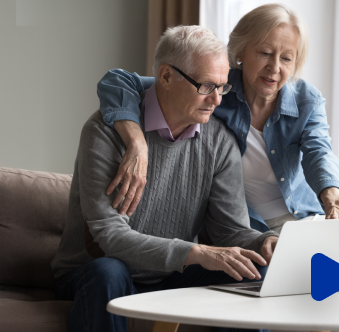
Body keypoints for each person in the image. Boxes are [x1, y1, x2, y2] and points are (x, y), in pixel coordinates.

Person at [95, 4, 339, 332]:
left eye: (287, 58)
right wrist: (136, 139)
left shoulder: (305, 100)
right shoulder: (216, 91)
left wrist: (333, 199)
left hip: (308, 215)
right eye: (265, 53)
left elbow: (319, 151)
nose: (275, 68)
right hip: (255, 225)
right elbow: (118, 81)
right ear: (241, 52)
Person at [52, 25, 278, 332]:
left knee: (254, 272)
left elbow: (230, 230)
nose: (216, 100)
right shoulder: (105, 132)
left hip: (170, 276)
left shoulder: (220, 142)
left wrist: (266, 242)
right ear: (167, 77)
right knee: (109, 272)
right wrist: (194, 252)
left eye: (222, 87)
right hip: (92, 271)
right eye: (206, 86)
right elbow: (109, 236)